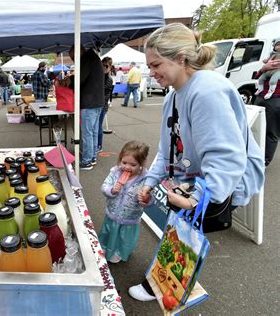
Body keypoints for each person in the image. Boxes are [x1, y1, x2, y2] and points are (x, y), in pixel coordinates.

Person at [128, 23, 264, 302]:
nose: (151, 73)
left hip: (217, 182)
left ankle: (163, 285)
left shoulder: (207, 91)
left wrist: (196, 199)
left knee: (184, 230)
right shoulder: (175, 95)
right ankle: (165, 283)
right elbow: (166, 151)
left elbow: (225, 157)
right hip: (194, 179)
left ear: (179, 58)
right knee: (181, 230)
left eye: (155, 65)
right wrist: (150, 182)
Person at [99, 140, 149, 263]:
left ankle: (119, 252)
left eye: (133, 165)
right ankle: (104, 247)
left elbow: (150, 199)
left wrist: (145, 199)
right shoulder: (115, 172)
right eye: (124, 162)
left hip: (130, 217)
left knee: (124, 238)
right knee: (108, 232)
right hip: (112, 212)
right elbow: (104, 187)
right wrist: (112, 190)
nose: (127, 167)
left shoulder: (146, 180)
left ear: (141, 164)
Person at [69, 45, 104, 171]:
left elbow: (79, 80)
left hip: (90, 102)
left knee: (87, 133)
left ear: (78, 53)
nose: (74, 61)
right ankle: (92, 157)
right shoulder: (93, 58)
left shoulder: (86, 59)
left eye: (73, 58)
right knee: (93, 132)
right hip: (97, 101)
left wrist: (70, 81)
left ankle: (87, 160)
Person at [254, 57, 280, 166]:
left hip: (276, 99)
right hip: (260, 97)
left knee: (271, 131)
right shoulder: (272, 59)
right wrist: (264, 68)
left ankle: (264, 161)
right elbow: (256, 76)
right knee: (254, 128)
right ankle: (253, 157)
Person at [97, 57, 113, 152]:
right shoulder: (100, 76)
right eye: (103, 65)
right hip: (97, 105)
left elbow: (101, 90)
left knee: (98, 126)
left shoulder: (109, 79)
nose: (104, 67)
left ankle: (99, 145)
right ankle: (97, 144)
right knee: (96, 126)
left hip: (103, 106)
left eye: (106, 66)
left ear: (110, 67)